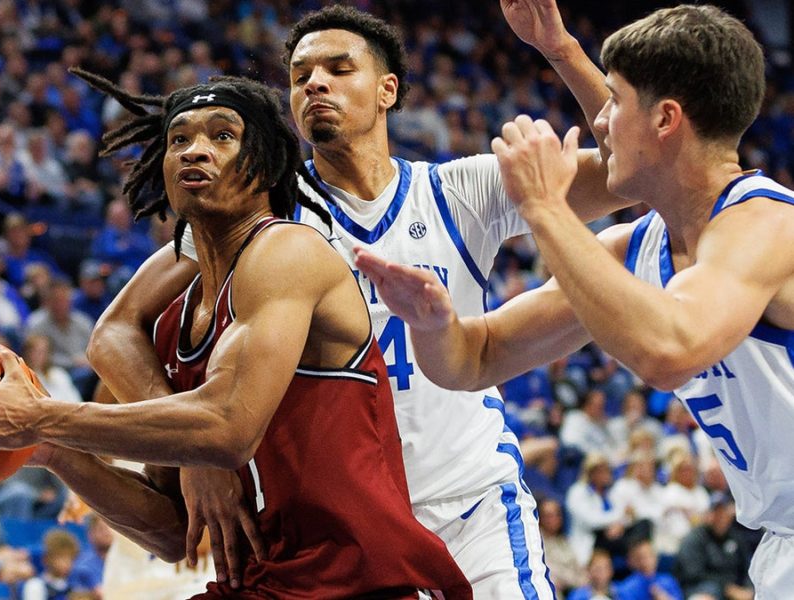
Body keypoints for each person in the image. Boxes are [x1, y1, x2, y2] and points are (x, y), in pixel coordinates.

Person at [86, 2, 628, 593]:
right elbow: (114, 333)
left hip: (471, 502)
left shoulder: (459, 191)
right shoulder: (259, 214)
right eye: (299, 76)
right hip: (345, 525)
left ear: (387, 90)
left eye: (339, 69)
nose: (314, 82)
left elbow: (631, 174)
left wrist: (561, 51)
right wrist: (192, 454)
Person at [0, 75, 472, 598]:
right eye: (178, 139)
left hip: (364, 581)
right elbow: (170, 532)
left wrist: (39, 415)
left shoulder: (287, 251)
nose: (193, 150)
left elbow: (226, 429)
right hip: (266, 582)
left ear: (264, 165)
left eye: (223, 136)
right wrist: (53, 451)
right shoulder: (171, 326)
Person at [355, 3, 794, 596]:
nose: (600, 123)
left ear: (666, 120)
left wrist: (543, 206)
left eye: (614, 102)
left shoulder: (766, 224)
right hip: (778, 543)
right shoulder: (633, 250)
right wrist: (432, 323)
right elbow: (475, 359)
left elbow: (671, 349)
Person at [673, 492, 754, 600]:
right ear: (708, 515)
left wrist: (748, 589)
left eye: (723, 512)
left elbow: (746, 568)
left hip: (735, 589)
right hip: (701, 588)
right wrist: (727, 588)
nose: (720, 517)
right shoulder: (694, 539)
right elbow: (694, 574)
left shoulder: (736, 537)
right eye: (716, 512)